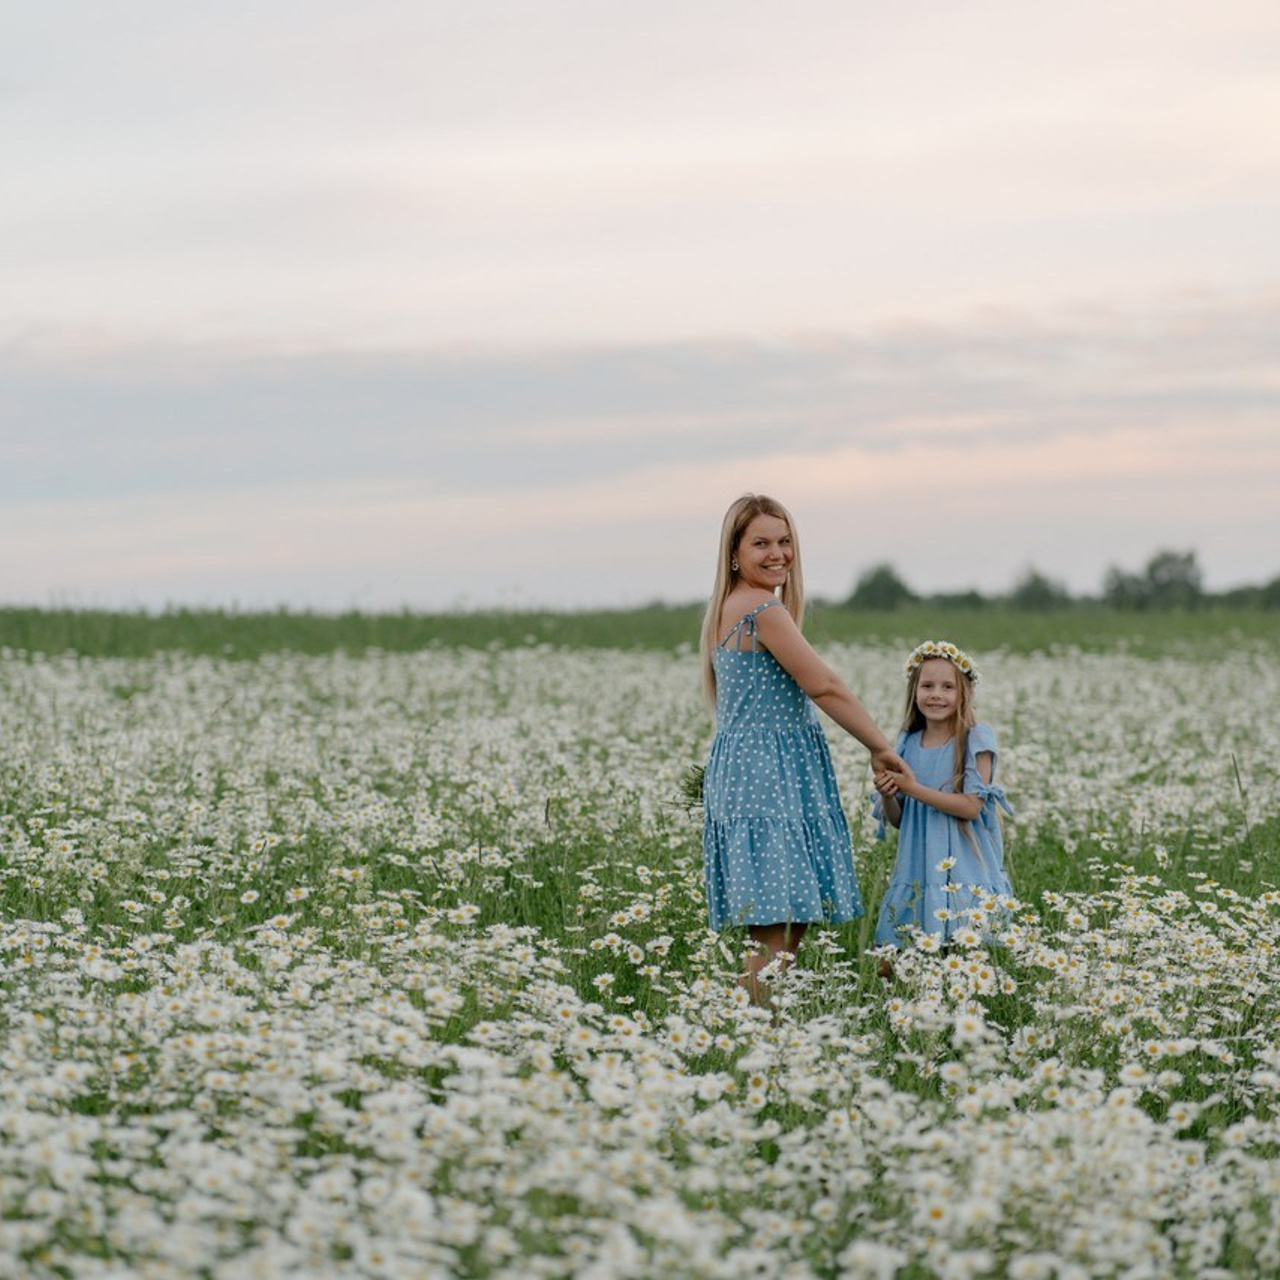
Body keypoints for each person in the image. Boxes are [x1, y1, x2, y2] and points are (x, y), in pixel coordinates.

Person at [700, 493, 905, 1005]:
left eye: (785, 541)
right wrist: (880, 747)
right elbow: (824, 685)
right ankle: (754, 1036)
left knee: (786, 927)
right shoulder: (759, 607)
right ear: (733, 553)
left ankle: (764, 1034)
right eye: (761, 543)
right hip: (765, 777)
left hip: (762, 772)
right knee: (774, 934)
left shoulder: (740, 605)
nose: (777, 554)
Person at [871, 640, 1014, 964]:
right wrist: (887, 792)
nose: (936, 694)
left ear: (964, 693)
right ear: (914, 692)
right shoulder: (906, 742)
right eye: (927, 686)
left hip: (963, 863)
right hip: (918, 863)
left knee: (964, 954)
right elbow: (898, 820)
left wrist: (912, 787)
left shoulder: (976, 739)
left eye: (948, 686)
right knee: (897, 958)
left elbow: (971, 806)